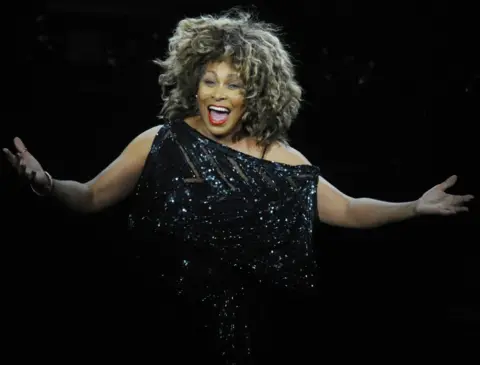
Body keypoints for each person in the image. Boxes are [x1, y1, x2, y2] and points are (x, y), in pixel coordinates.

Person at [2, 9, 474, 364]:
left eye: (234, 84)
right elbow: (89, 197)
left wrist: (413, 207)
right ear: (194, 83)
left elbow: (348, 209)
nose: (219, 93)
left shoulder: (280, 158)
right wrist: (45, 184)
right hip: (151, 319)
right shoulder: (160, 140)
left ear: (257, 93)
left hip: (244, 336)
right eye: (210, 81)